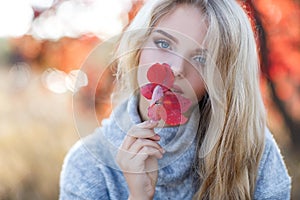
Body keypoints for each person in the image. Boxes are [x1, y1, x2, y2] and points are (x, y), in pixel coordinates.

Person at [59, 0, 291, 199]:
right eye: (163, 43)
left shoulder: (253, 151)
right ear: (138, 46)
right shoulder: (87, 166)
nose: (177, 68)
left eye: (201, 58)